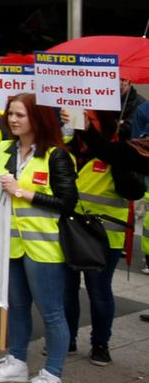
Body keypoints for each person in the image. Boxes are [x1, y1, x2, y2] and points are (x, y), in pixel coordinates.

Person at [0, 94, 75, 383]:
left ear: (38, 118)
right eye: (11, 114)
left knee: (52, 313)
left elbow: (67, 201)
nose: (13, 119)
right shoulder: (4, 149)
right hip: (10, 245)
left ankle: (52, 373)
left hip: (44, 248)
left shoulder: (57, 155)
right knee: (17, 307)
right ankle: (17, 362)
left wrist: (23, 191)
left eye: (20, 115)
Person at [62, 110, 141, 366]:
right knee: (67, 289)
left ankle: (100, 344)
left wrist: (121, 166)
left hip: (104, 237)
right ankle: (68, 339)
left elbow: (134, 190)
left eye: (89, 119)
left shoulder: (117, 153)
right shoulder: (66, 149)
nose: (80, 122)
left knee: (99, 292)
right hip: (71, 231)